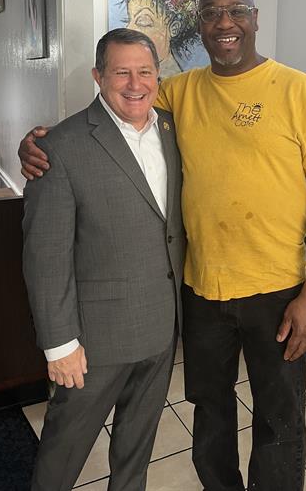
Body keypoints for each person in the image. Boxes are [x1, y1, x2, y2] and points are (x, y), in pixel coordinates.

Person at [19, 0, 306, 491]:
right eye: (212, 13)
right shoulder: (179, 92)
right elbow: (118, 114)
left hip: (278, 291)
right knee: (210, 418)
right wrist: (40, 144)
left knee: (280, 421)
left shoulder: (301, 92)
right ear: (199, 26)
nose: (225, 23)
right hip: (200, 293)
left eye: (237, 10)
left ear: (256, 18)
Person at [22, 28, 185, 491]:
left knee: (135, 455)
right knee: (62, 455)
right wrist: (59, 345)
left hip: (159, 328)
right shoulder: (60, 147)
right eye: (121, 73)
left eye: (145, 72)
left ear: (158, 75)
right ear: (98, 76)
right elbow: (43, 254)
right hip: (92, 345)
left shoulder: (173, 130)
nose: (135, 84)